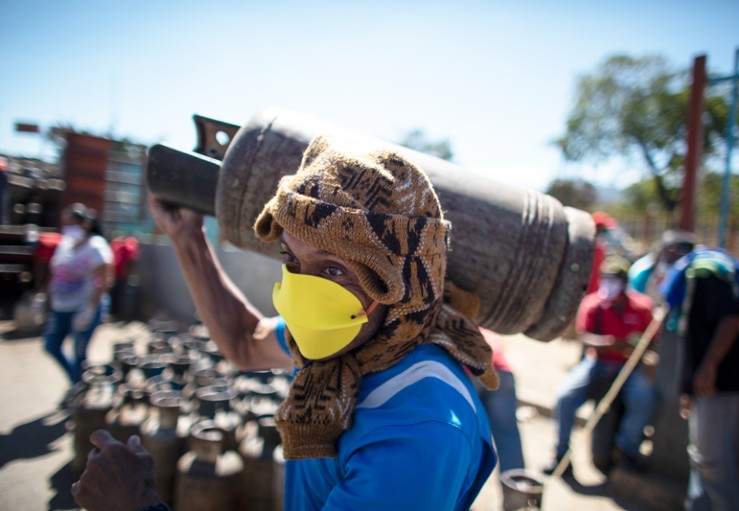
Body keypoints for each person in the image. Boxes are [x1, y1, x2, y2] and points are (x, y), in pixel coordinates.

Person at [72, 136, 499, 511]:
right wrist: (186, 237)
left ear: (402, 282)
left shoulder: (419, 435)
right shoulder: (353, 344)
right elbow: (244, 340)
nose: (301, 294)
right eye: (291, 260)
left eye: (333, 270)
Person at [659, 247, 739, 511]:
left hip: (720, 387)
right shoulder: (693, 278)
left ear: (677, 253)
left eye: (667, 254)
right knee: (701, 460)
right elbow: (693, 340)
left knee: (713, 463)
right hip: (703, 388)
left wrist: (709, 366)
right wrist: (687, 389)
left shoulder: (705, 274)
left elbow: (731, 320)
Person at [543, 256, 657, 475]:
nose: (609, 284)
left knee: (644, 398)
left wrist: (634, 348)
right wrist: (613, 344)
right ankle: (560, 455)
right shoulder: (593, 304)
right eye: (606, 279)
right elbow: (584, 337)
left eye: (614, 280)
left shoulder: (642, 307)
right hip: (597, 362)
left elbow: (649, 339)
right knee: (565, 398)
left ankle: (627, 448)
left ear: (624, 283)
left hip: (629, 367)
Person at [43, 204, 113, 393]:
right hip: (61, 307)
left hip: (83, 307)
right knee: (51, 345)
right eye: (65, 223)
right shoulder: (65, 244)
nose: (67, 227)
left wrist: (90, 309)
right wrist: (46, 295)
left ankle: (79, 390)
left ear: (85, 224)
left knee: (78, 353)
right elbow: (57, 272)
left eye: (71, 223)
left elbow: (104, 280)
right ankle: (77, 384)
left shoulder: (96, 246)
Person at [476, 327, 525, 473]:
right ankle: (516, 488)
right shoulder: (490, 330)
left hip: (473, 372)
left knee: (466, 432)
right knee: (508, 434)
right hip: (503, 373)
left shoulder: (453, 321)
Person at [628, 229, 695, 304]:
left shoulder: (677, 267)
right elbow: (636, 295)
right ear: (672, 249)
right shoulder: (644, 268)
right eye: (682, 252)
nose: (684, 257)